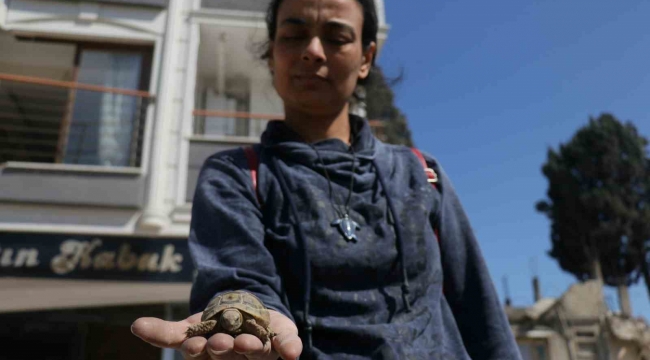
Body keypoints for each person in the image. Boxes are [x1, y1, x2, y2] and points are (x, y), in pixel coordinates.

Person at [131, 0, 521, 359]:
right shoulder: (235, 175)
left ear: (366, 57)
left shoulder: (422, 173)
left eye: (336, 37)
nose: (313, 51)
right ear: (272, 52)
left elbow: (482, 315)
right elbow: (239, 277)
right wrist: (257, 316)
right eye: (294, 34)